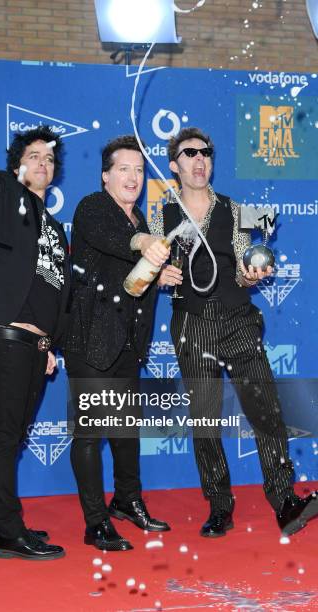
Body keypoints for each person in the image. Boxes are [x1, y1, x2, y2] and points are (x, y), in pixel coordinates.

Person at [148, 126, 318, 538]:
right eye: (189, 153)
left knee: (267, 414)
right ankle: (220, 506)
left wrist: (253, 274)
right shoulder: (162, 214)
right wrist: (161, 276)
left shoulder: (235, 209)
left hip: (238, 319)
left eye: (205, 152)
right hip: (192, 323)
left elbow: (244, 271)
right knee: (205, 421)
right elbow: (151, 270)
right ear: (174, 165)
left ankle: (285, 501)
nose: (199, 159)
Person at [0, 76, 70, 560]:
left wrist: (52, 347)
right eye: (34, 155)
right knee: (6, 432)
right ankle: (8, 531)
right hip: (2, 333)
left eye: (49, 158)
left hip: (35, 347)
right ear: (18, 165)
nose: (42, 163)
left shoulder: (57, 228)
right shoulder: (3, 194)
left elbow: (57, 293)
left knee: (14, 433)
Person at [64, 135, 171, 551]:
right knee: (90, 435)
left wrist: (160, 274)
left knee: (126, 431)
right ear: (106, 175)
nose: (133, 176)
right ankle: (95, 523)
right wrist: (144, 243)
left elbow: (132, 277)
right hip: (90, 341)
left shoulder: (140, 218)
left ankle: (127, 500)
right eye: (123, 168)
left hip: (127, 344)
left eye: (139, 170)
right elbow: (113, 241)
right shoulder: (92, 207)